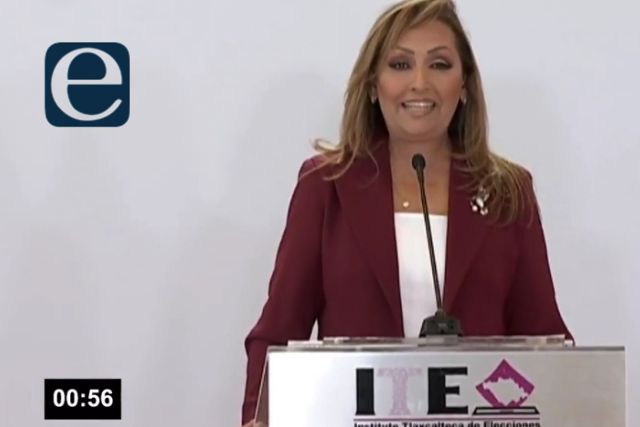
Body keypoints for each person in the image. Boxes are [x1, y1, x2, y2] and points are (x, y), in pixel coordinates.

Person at [240, 0, 572, 424]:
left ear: (465, 85)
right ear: (373, 86)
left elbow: (544, 337)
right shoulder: (326, 185)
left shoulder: (509, 191)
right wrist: (257, 418)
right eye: (400, 65)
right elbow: (279, 331)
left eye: (439, 64)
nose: (420, 83)